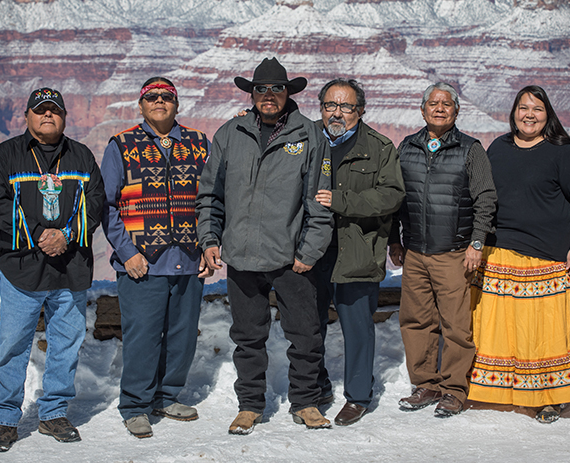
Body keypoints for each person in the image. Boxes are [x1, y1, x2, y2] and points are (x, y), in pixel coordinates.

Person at [196, 57, 333, 435]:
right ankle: (250, 405)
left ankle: (306, 402)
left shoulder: (309, 135)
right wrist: (209, 238)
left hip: (292, 259)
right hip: (241, 256)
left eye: (276, 88)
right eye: (261, 89)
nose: (269, 96)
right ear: (251, 93)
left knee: (305, 335)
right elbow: (210, 194)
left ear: (288, 93)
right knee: (247, 337)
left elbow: (320, 200)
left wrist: (309, 251)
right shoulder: (230, 133)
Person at [0, 87, 104, 452]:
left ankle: (53, 413)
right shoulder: (6, 155)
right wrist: (39, 236)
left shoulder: (81, 156)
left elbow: (95, 203)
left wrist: (65, 235)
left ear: (64, 117)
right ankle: (5, 419)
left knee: (66, 344)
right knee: (12, 344)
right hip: (22, 269)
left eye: (54, 110)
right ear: (27, 116)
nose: (47, 115)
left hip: (71, 269)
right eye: (40, 110)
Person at [468, 85, 570, 423]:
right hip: (501, 252)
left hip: (547, 254)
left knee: (541, 335)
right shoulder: (498, 147)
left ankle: (548, 397)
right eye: (523, 108)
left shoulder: (562, 152)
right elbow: (483, 197)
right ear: (513, 112)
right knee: (501, 332)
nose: (529, 115)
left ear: (548, 115)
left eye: (537, 109)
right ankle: (493, 391)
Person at [101, 77, 212, 439]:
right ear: (141, 104)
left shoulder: (197, 143)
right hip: (142, 262)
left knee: (183, 336)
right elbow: (107, 205)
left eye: (167, 97)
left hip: (189, 256)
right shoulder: (122, 145)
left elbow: (211, 199)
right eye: (152, 97)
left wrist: (210, 244)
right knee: (143, 336)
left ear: (177, 104)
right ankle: (135, 405)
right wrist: (127, 252)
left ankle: (166, 396)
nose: (160, 101)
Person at [388, 82, 497, 418]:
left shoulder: (470, 149)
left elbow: (486, 199)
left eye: (445, 104)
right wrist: (395, 239)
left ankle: (453, 390)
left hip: (454, 253)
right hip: (416, 253)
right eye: (432, 103)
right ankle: (425, 384)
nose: (438, 108)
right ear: (422, 110)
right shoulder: (407, 147)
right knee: (416, 321)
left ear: (456, 111)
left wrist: (476, 243)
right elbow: (393, 198)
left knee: (456, 327)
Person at [311, 78, 405, 426]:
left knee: (358, 327)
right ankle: (317, 386)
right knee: (311, 323)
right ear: (320, 108)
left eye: (346, 106)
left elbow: (391, 196)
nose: (337, 113)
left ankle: (358, 396)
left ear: (360, 110)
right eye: (330, 106)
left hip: (359, 250)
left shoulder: (379, 148)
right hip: (313, 251)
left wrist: (342, 201)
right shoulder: (306, 140)